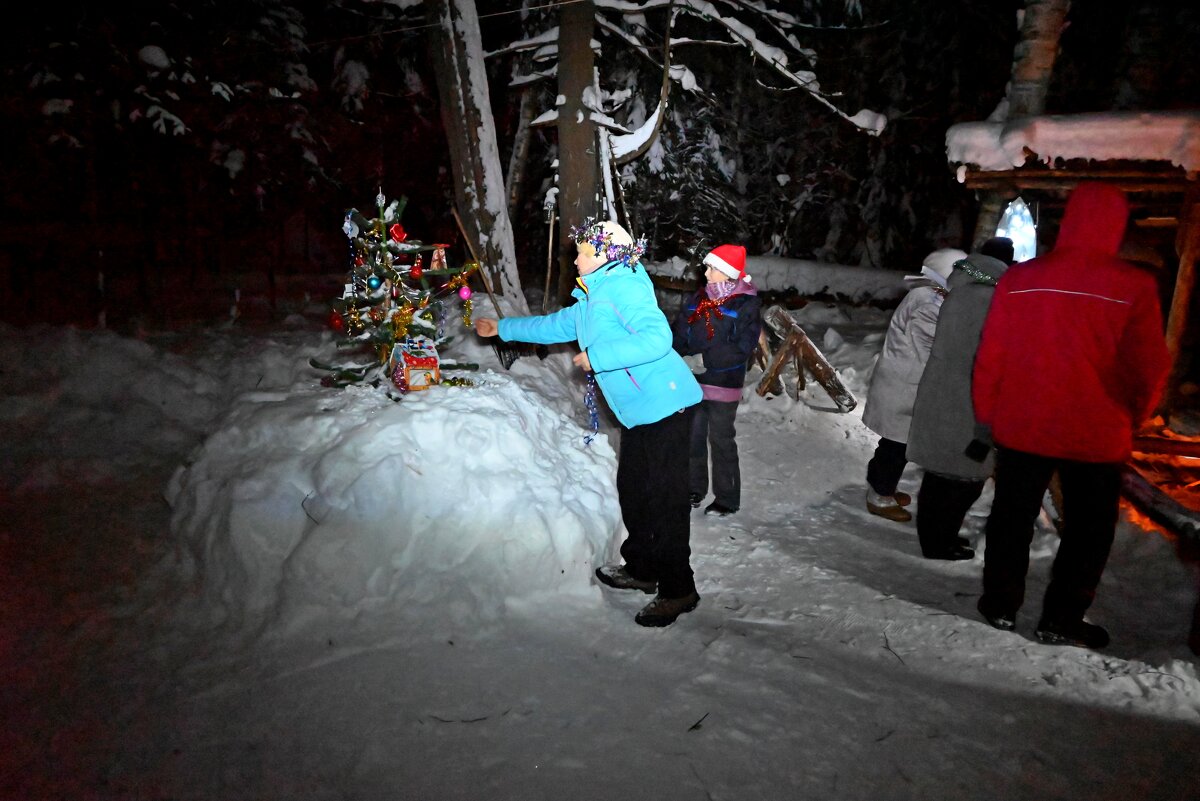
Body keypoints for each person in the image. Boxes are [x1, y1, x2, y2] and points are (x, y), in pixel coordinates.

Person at [473, 218, 704, 627]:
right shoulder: (592, 298)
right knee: (634, 490)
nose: (575, 258)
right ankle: (642, 568)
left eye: (583, 252)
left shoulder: (626, 286)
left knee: (666, 500)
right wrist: (503, 328)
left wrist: (599, 358)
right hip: (639, 413)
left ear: (604, 256)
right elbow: (555, 325)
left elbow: (657, 339)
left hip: (667, 407)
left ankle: (678, 588)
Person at [972, 182, 1169, 649]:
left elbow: (991, 356)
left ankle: (1000, 603)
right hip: (1096, 433)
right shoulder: (1135, 286)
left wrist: (988, 414)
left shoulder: (1020, 279)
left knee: (1011, 519)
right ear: (1116, 226)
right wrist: (1136, 415)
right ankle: (1061, 618)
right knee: (1088, 532)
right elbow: (1148, 366)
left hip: (1024, 424)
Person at [905, 240, 1012, 560]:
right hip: (969, 396)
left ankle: (934, 539)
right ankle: (941, 543)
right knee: (966, 476)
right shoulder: (993, 298)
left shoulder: (960, 288)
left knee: (939, 473)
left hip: (941, 389)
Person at [861, 248, 968, 522]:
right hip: (906, 384)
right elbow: (932, 345)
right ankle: (880, 497)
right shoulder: (929, 302)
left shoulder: (929, 296)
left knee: (895, 443)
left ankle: (881, 486)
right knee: (897, 446)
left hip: (905, 381)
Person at [671, 244, 762, 517]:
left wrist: (704, 360)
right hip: (694, 382)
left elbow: (741, 347)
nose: (706, 273)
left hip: (723, 383)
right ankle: (694, 487)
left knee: (722, 439)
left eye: (712, 268)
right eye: (708, 267)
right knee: (693, 437)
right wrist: (681, 355)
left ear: (728, 273)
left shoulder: (746, 304)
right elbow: (680, 331)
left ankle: (727, 498)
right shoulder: (698, 299)